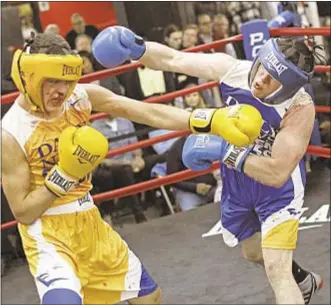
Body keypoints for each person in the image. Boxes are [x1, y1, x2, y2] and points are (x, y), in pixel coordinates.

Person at [1, 33, 261, 305]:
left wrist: (209, 120)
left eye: (67, 80)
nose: (61, 90)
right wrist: (65, 174)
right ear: (27, 76)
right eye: (52, 80)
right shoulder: (11, 133)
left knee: (150, 299)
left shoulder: (77, 98)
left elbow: (144, 112)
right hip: (48, 233)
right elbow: (23, 211)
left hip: (90, 222)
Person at [92, 27, 324, 304]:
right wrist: (138, 48)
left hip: (278, 191)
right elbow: (174, 60)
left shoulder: (299, 107)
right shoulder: (235, 70)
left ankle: (292, 281)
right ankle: (304, 281)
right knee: (252, 253)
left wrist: (224, 151)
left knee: (277, 270)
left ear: (288, 86)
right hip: (237, 183)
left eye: (272, 79)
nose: (260, 79)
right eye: (262, 68)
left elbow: (276, 173)